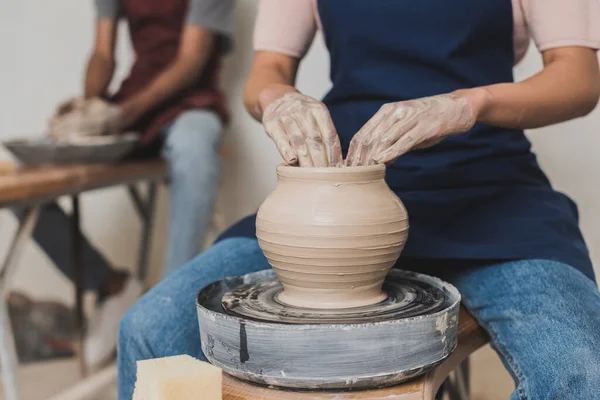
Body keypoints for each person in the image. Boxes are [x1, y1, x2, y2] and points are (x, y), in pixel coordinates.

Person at [117, 0, 600, 398]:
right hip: (341, 202)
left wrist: (468, 105)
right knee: (150, 330)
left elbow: (578, 78)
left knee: (581, 374)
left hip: (492, 198)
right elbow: (267, 70)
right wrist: (278, 97)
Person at [15, 0, 235, 368]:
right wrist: (88, 108)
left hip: (191, 100)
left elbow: (192, 58)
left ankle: (168, 310)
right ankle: (110, 285)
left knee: (194, 151)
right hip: (134, 99)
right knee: (32, 168)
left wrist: (124, 114)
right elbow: (103, 53)